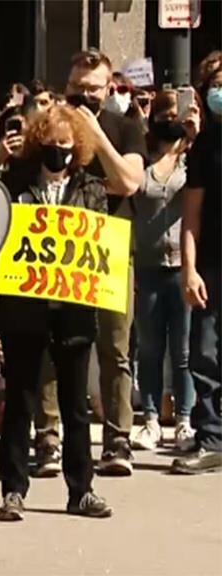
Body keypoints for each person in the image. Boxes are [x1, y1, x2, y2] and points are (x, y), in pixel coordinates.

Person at [0, 104, 112, 522]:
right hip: (25, 309)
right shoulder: (15, 183)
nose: (57, 152)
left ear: (76, 147)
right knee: (21, 399)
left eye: (65, 144)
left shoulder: (90, 188)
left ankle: (81, 490)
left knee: (74, 405)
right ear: (36, 145)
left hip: (74, 311)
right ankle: (13, 490)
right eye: (49, 144)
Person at [64, 49, 146, 476]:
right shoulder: (52, 127)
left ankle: (117, 438)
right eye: (76, 87)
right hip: (60, 248)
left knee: (114, 347)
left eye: (92, 89)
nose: (83, 96)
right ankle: (47, 434)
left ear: (109, 88)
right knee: (55, 342)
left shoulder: (125, 128)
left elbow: (129, 182)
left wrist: (96, 134)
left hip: (108, 245)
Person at [130, 89, 202, 452]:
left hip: (182, 266)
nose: (174, 119)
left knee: (185, 349)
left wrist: (195, 138)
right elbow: (139, 185)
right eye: (167, 114)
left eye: (180, 114)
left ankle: (186, 420)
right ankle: (151, 419)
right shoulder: (142, 158)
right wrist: (170, 151)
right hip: (147, 263)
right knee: (149, 346)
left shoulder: (195, 159)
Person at [173, 50, 222, 475]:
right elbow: (192, 214)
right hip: (212, 264)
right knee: (204, 352)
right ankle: (211, 436)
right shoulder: (205, 146)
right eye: (214, 86)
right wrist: (189, 268)